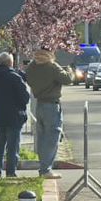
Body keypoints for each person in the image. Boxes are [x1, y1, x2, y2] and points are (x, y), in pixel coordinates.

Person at [25, 47, 73, 179]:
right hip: (52, 105)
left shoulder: (31, 67)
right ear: (50, 53)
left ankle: (43, 166)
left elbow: (28, 78)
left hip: (40, 104)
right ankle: (46, 170)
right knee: (52, 138)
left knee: (42, 138)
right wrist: (69, 70)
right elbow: (68, 79)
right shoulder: (52, 66)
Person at [0, 52, 30, 177]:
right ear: (10, 63)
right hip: (14, 117)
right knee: (12, 147)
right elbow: (25, 97)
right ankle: (11, 172)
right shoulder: (15, 78)